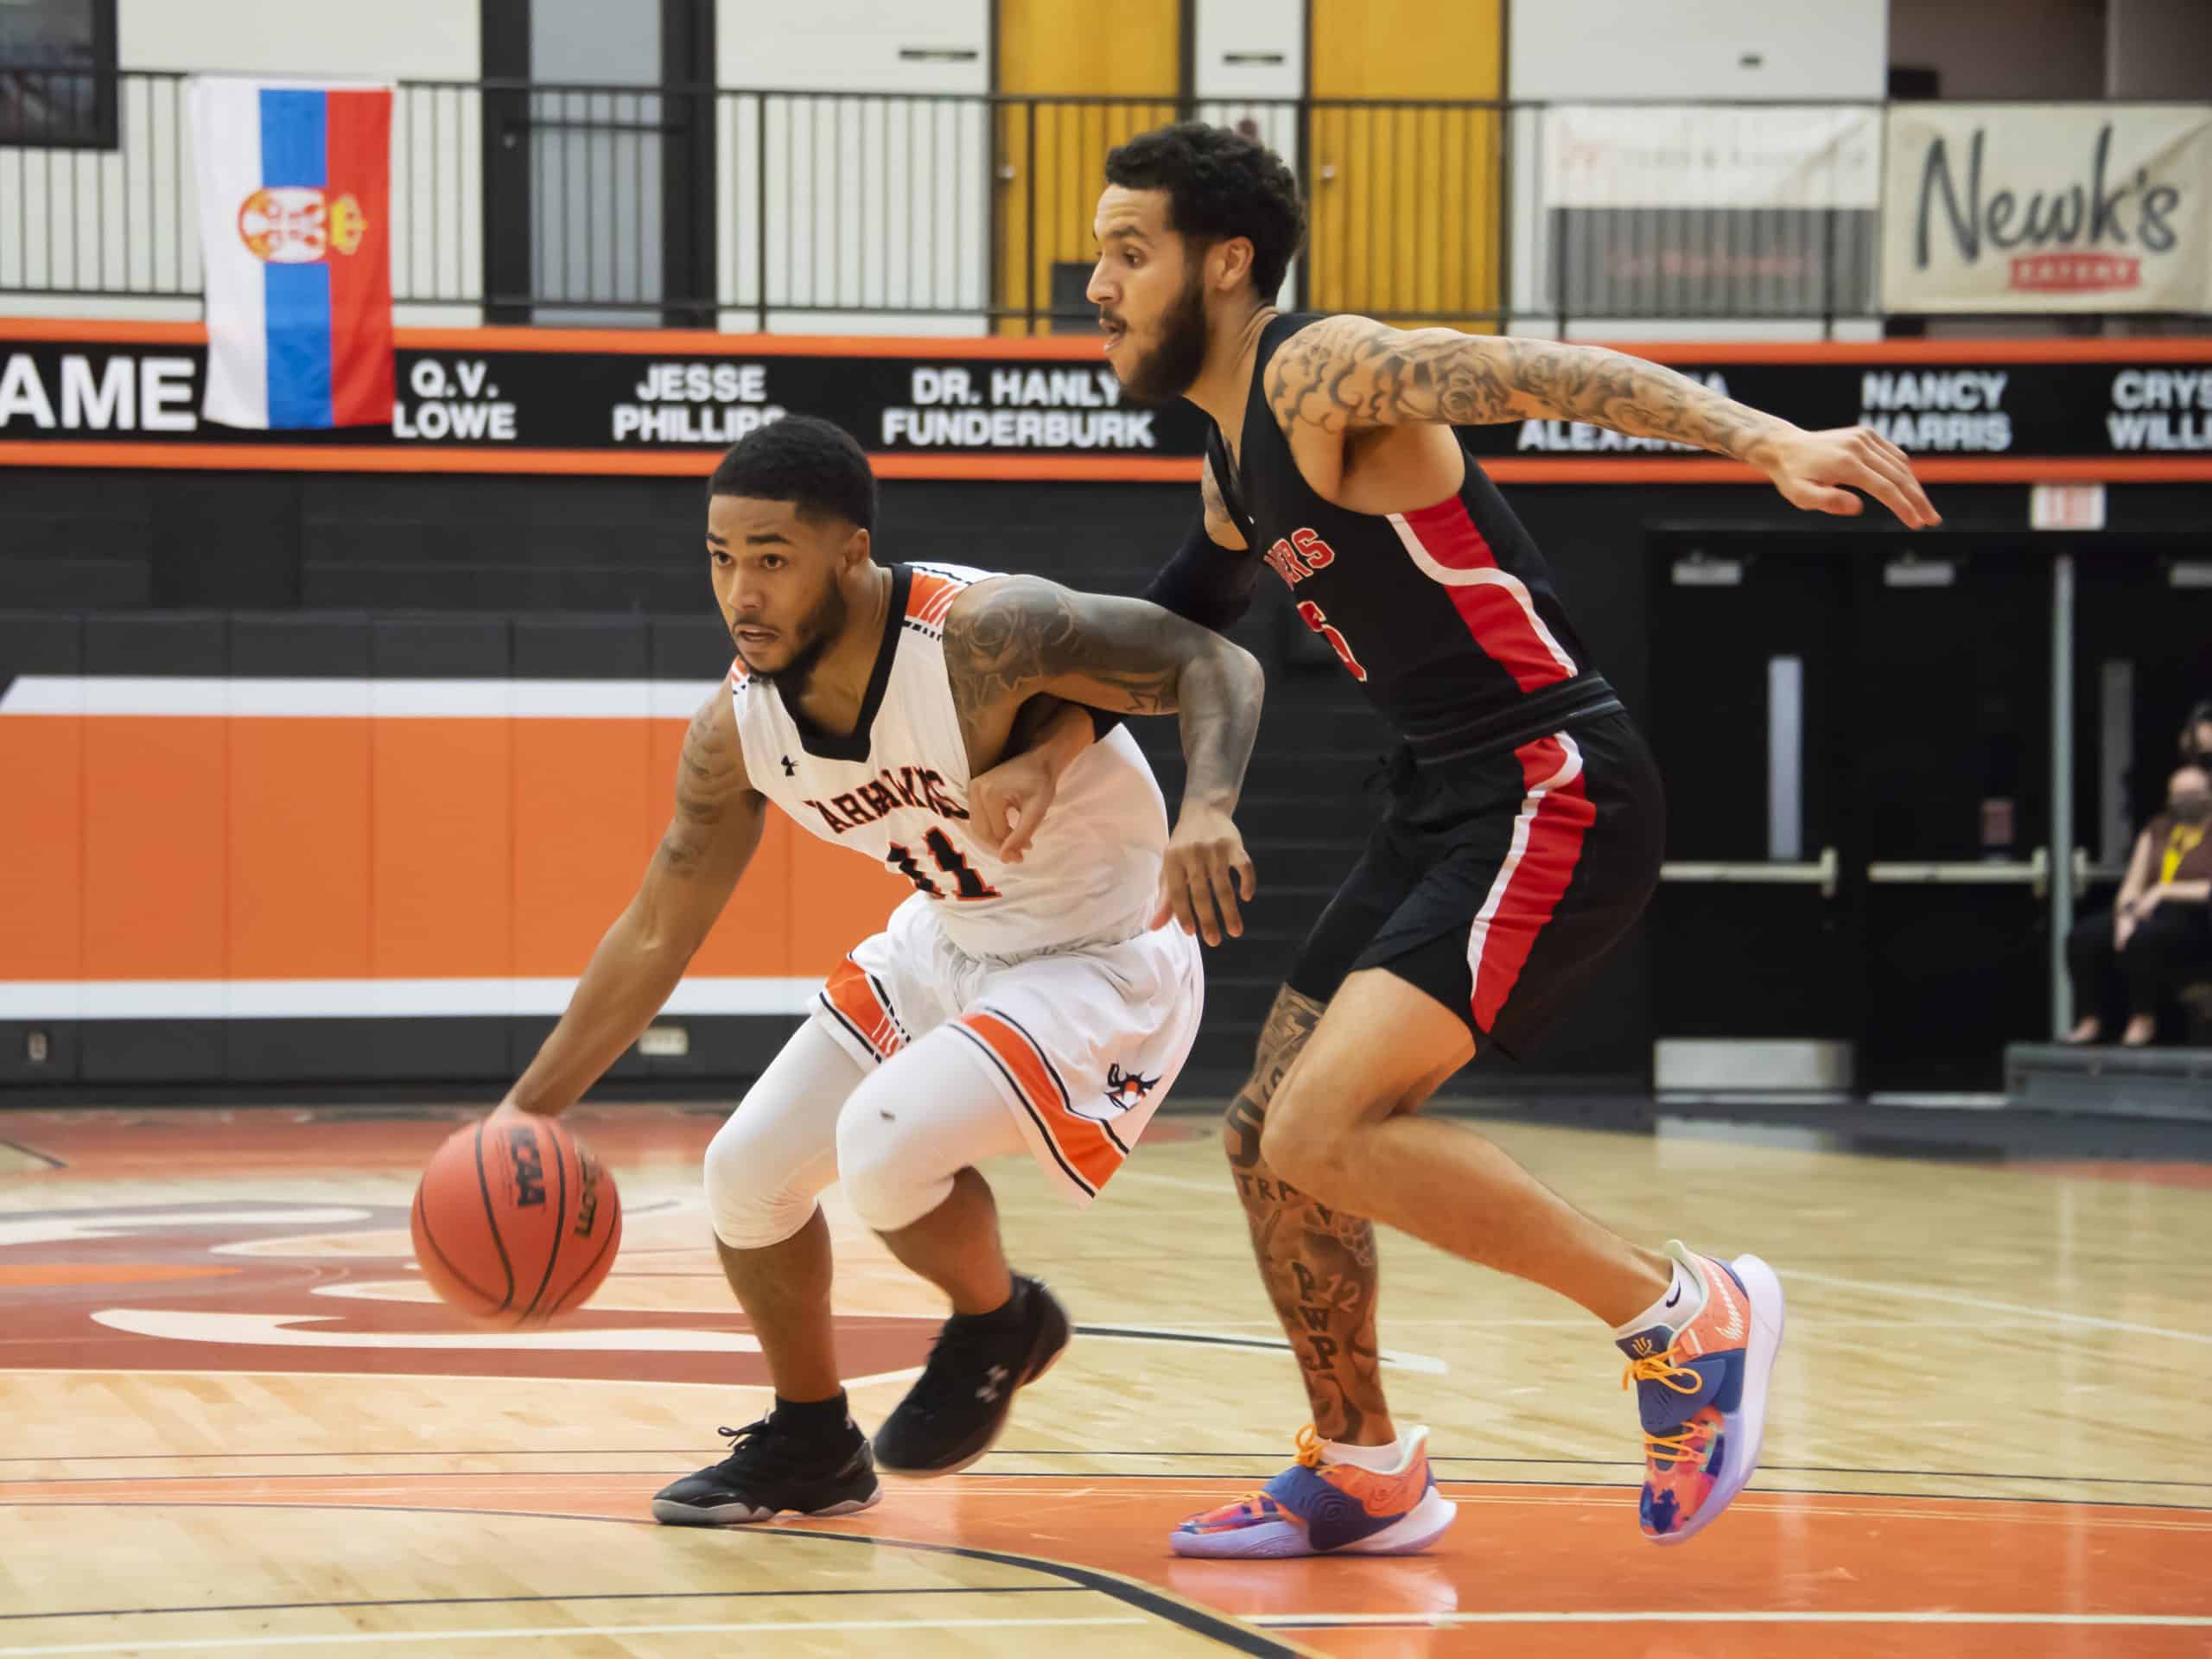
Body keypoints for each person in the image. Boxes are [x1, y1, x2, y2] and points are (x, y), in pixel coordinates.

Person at [964, 123, 1942, 1556]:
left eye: (1129, 252)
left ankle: (1682, 1315)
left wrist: (1762, 437)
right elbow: (1191, 614)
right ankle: (1362, 1465)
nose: (1096, 285)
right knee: (1267, 1146)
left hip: (1552, 778)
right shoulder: (1234, 458)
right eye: (1099, 253)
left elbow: (1544, 375)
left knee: (1327, 1125)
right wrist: (1045, 753)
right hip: (1440, 793)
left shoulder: (1317, 368)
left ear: (1225, 264)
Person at [499, 416, 1263, 1525]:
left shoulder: (980, 636)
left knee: (883, 1144)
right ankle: (812, 1442)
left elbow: (1212, 658)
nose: (741, 593)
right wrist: (525, 1114)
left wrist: (1208, 810)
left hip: (1102, 950)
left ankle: (1000, 1320)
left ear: (849, 552)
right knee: (745, 1176)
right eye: (722, 559)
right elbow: (660, 927)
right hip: (950, 940)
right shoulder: (738, 730)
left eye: (772, 558)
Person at [2069, 762, 2212, 1047]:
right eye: (2179, 794)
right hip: (2149, 913)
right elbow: (2133, 883)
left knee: (2144, 939)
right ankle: (2089, 1020)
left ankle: (2142, 1019)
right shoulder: (2156, 829)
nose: (2185, 800)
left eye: (2193, 793)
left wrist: (2163, 890)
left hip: (2198, 918)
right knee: (2085, 936)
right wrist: (2124, 915)